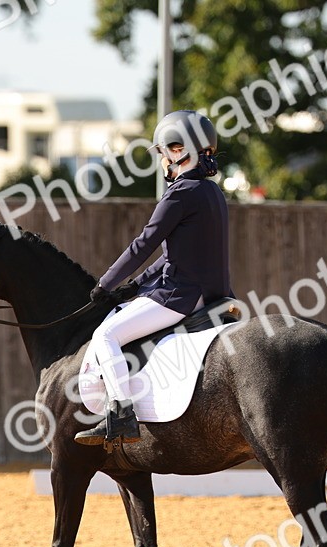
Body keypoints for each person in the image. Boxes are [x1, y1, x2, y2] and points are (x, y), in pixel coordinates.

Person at [75, 110, 232, 447]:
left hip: (183, 296)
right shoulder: (212, 192)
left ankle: (120, 414)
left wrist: (104, 284)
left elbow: (143, 243)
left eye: (163, 152)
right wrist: (135, 286)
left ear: (178, 150)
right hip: (217, 295)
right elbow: (173, 255)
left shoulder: (180, 192)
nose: (162, 160)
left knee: (105, 335)